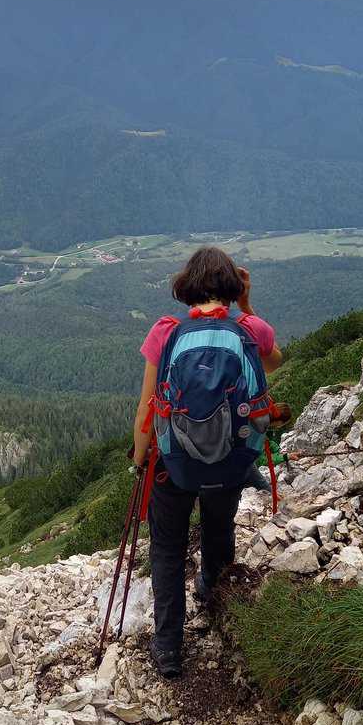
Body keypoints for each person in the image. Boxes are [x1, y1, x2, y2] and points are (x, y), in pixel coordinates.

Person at [132, 247, 282, 679]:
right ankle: (216, 605)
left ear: (188, 284)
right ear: (234, 286)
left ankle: (169, 648)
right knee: (219, 530)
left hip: (173, 463)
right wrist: (248, 307)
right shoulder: (250, 329)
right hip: (231, 460)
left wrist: (140, 460)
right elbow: (273, 361)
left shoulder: (167, 332)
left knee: (167, 547)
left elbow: (147, 407)